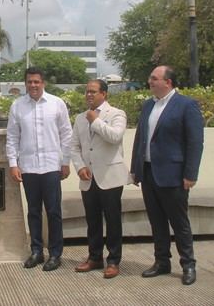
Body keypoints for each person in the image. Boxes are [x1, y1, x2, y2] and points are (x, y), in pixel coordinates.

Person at [130, 65, 204, 286]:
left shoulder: (186, 105)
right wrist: (136, 169)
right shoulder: (148, 106)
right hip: (150, 173)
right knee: (157, 222)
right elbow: (140, 139)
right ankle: (162, 262)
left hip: (174, 175)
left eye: (154, 78)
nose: (150, 81)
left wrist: (190, 174)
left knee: (179, 223)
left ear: (168, 82)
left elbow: (195, 143)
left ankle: (188, 264)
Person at [6, 67, 72, 271]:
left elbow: (66, 134)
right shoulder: (17, 106)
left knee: (53, 212)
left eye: (36, 81)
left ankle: (55, 254)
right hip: (29, 168)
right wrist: (13, 164)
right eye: (29, 82)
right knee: (33, 211)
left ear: (43, 83)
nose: (33, 85)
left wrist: (65, 161)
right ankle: (36, 251)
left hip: (52, 166)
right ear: (25, 84)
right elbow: (12, 137)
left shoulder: (56, 103)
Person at [71, 79, 130, 278]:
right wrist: (79, 168)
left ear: (104, 94)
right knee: (92, 220)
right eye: (87, 91)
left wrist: (94, 121)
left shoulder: (116, 114)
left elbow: (115, 137)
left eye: (93, 92)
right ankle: (94, 257)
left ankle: (113, 261)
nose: (89, 95)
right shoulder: (80, 118)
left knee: (113, 220)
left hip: (110, 176)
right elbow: (75, 147)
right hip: (88, 177)